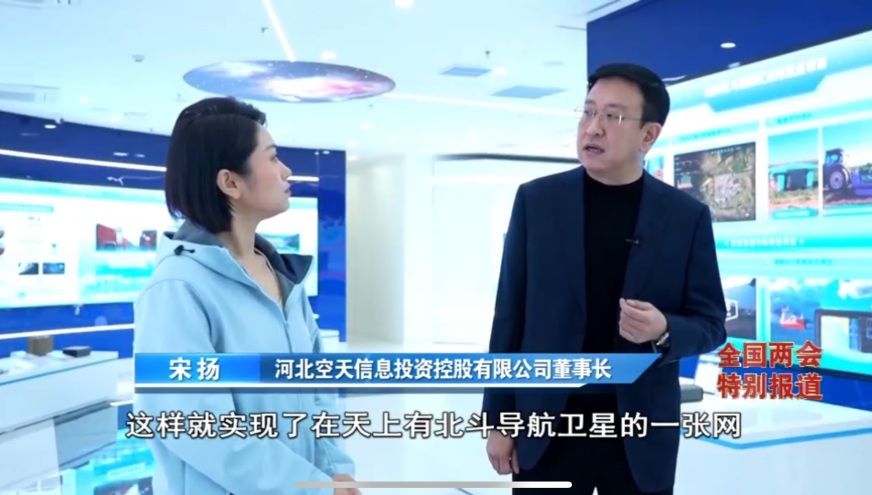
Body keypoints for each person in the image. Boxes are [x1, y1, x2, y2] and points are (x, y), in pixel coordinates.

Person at [482, 63, 727, 494]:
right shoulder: (537, 202)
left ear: (648, 135)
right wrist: (499, 419)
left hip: (638, 431)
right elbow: (509, 317)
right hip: (547, 424)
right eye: (588, 111)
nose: (592, 128)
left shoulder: (685, 217)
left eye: (612, 116)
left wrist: (664, 329)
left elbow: (711, 324)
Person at [133, 97, 359, 495]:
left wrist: (334, 470)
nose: (286, 171)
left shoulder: (283, 278)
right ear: (230, 182)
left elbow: (318, 390)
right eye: (272, 158)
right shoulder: (177, 289)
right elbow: (199, 427)